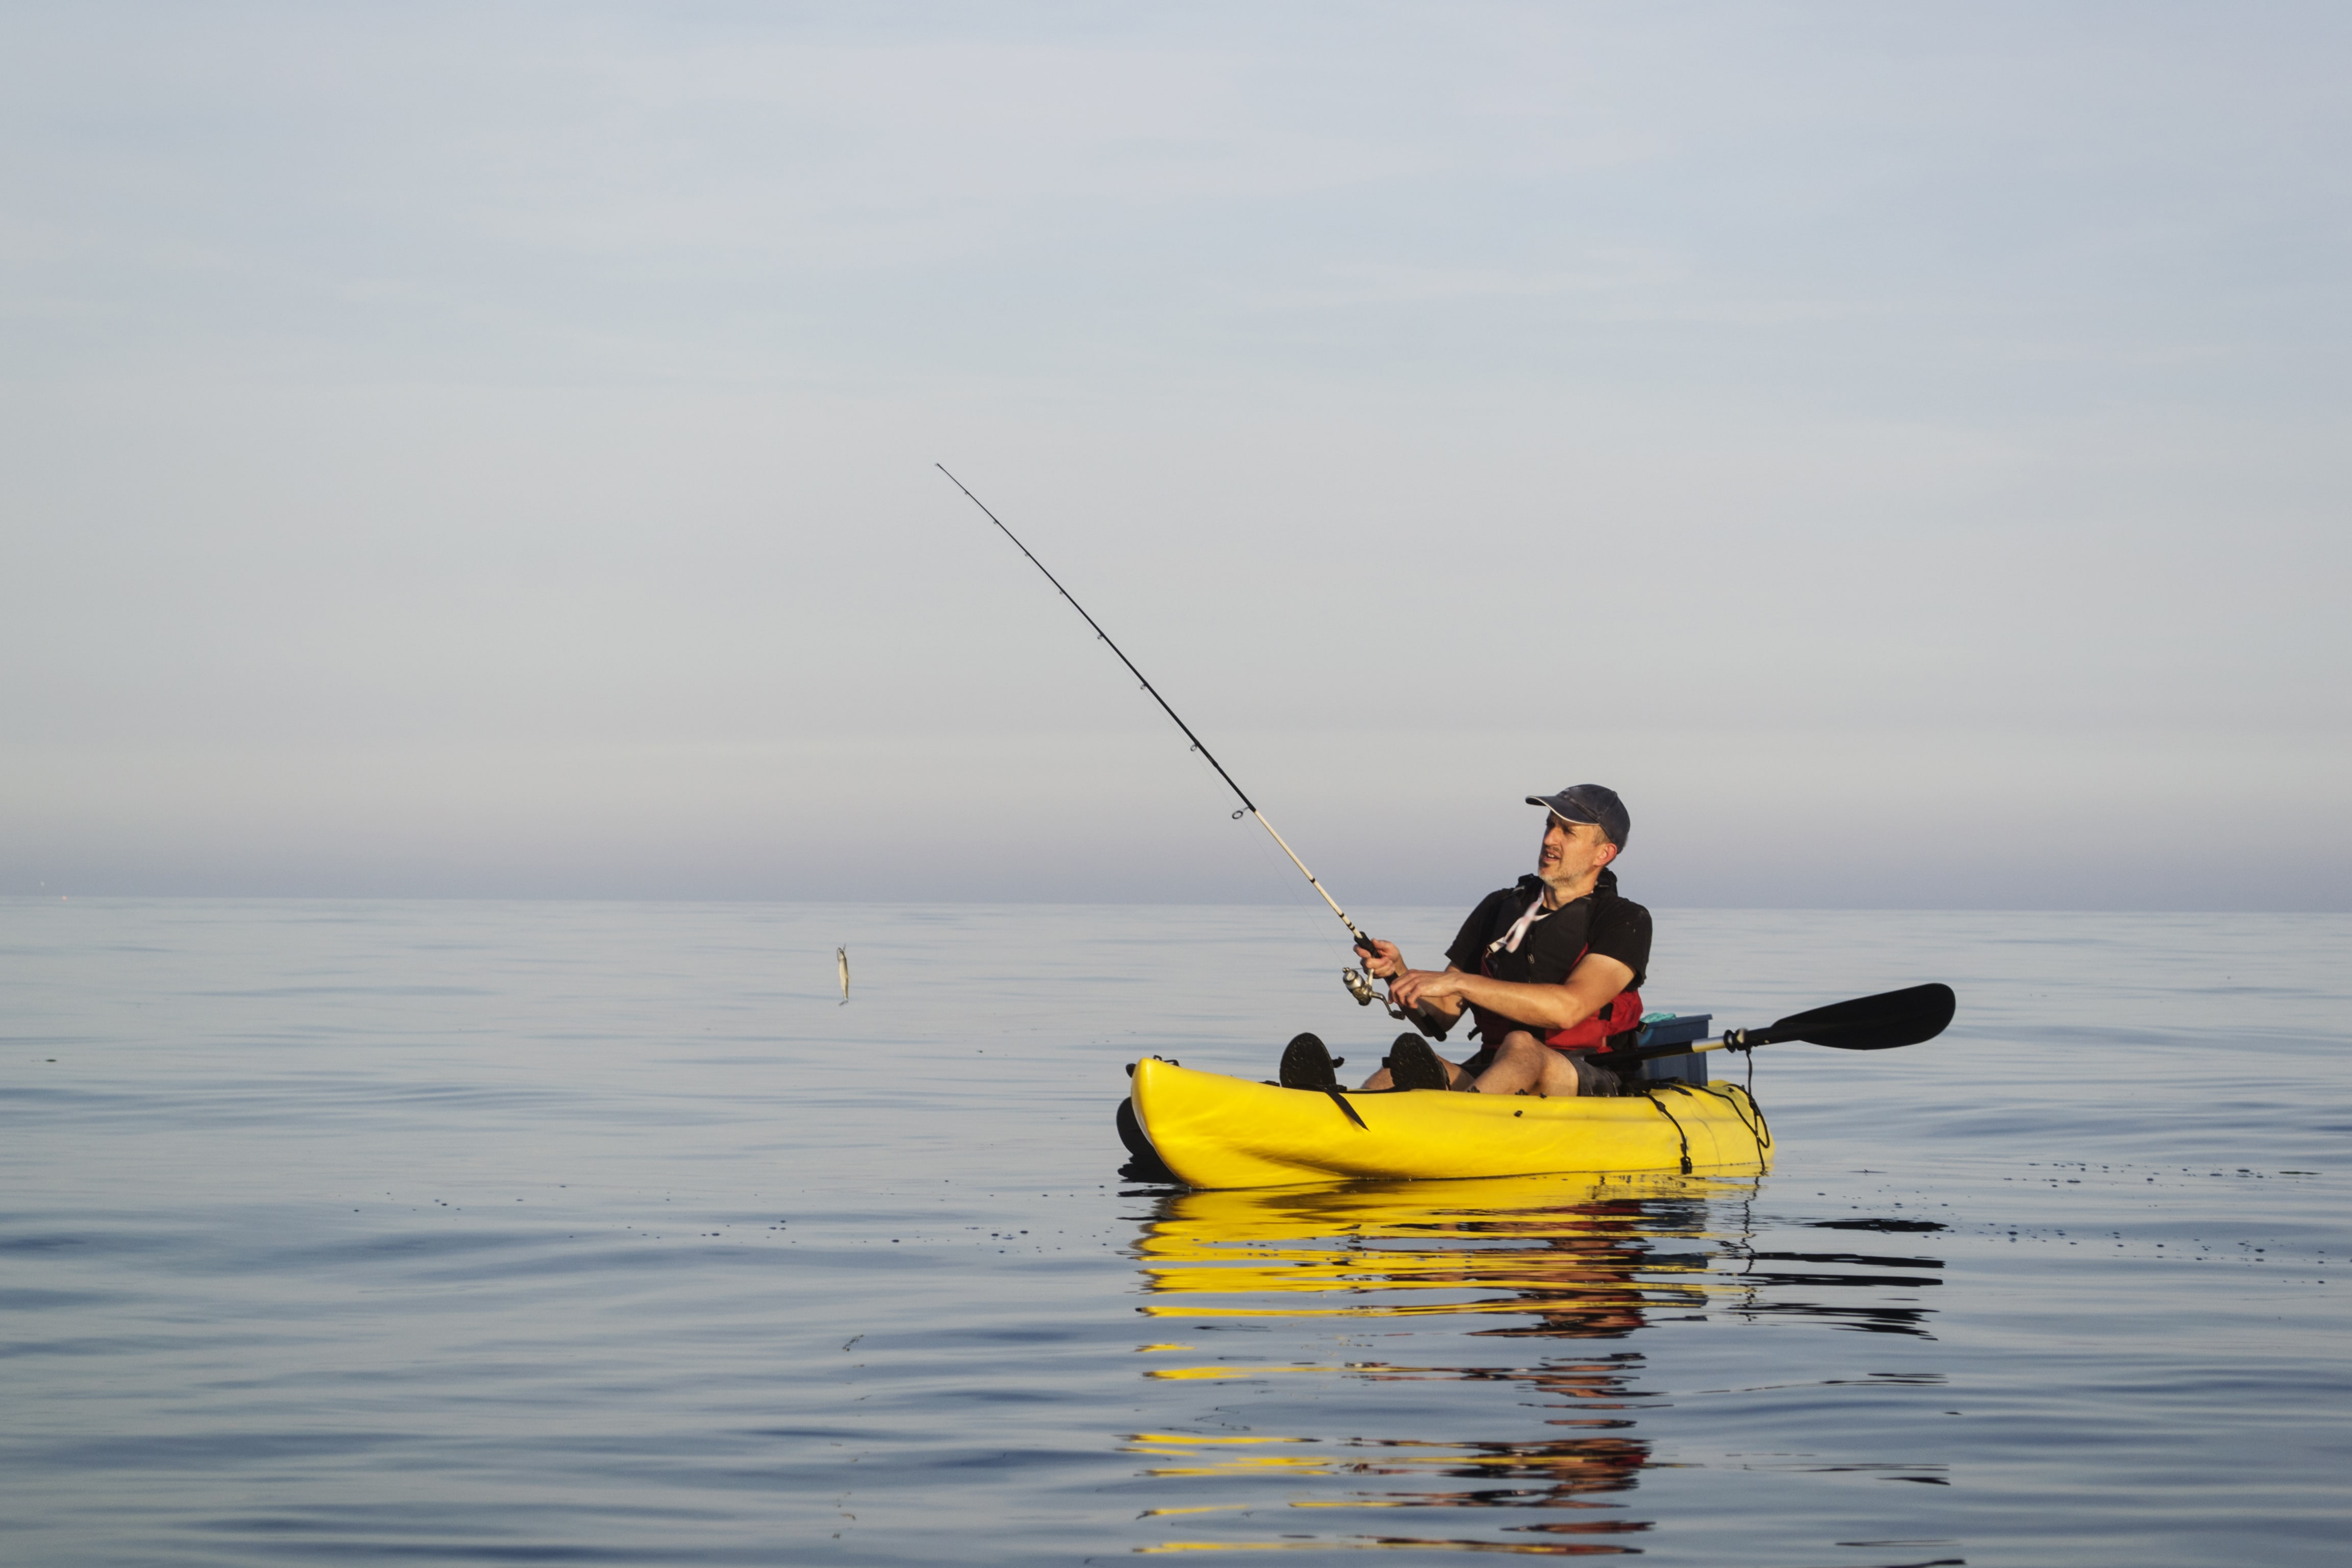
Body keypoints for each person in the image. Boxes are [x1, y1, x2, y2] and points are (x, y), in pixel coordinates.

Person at [1280, 785, 1652, 1097]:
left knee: (1521, 1046)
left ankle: (1458, 1123)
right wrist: (1399, 974)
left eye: (1567, 832)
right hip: (1498, 1073)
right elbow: (1440, 1019)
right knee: (1397, 1072)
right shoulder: (1500, 907)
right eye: (1549, 826)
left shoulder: (1624, 920)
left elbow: (1568, 1010)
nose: (1550, 839)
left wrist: (1459, 981)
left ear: (1604, 854)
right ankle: (1342, 1117)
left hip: (1588, 1076)